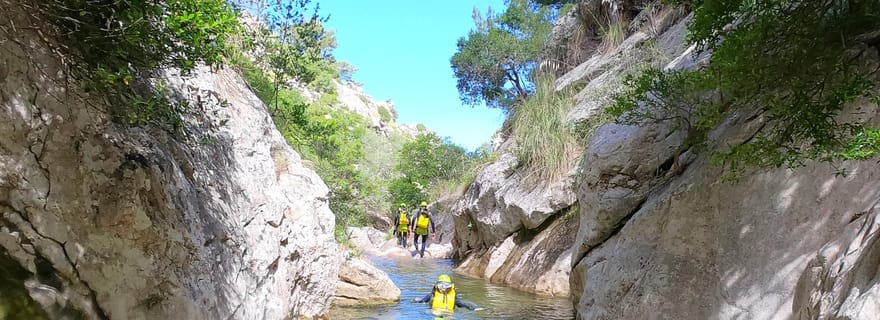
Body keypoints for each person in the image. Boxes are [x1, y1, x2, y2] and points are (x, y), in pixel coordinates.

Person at [412, 274, 481, 311]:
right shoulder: (433, 295)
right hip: (444, 314)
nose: (443, 288)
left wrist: (415, 300)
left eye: (446, 286)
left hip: (440, 315)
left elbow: (422, 301)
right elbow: (461, 305)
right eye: (442, 285)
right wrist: (473, 308)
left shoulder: (432, 295)